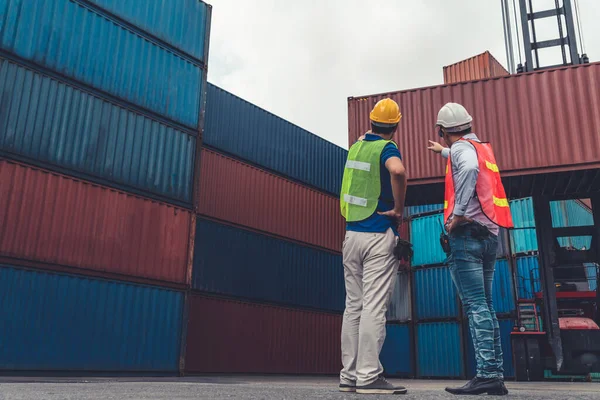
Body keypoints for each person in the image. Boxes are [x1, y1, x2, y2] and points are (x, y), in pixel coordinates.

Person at [427, 102, 513, 396]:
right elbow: (466, 158)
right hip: (490, 235)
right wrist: (443, 153)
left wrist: (459, 213)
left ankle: (487, 374)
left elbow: (469, 167)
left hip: (468, 237)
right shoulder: (480, 148)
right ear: (467, 125)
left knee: (476, 305)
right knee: (487, 306)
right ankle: (495, 375)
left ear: (442, 130)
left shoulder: (465, 152)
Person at [339, 98, 408, 395]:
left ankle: (349, 375)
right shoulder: (387, 148)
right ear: (395, 125)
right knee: (374, 307)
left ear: (371, 121)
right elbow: (398, 171)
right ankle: (368, 376)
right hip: (378, 234)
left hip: (351, 236)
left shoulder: (357, 147)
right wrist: (398, 209)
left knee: (353, 306)